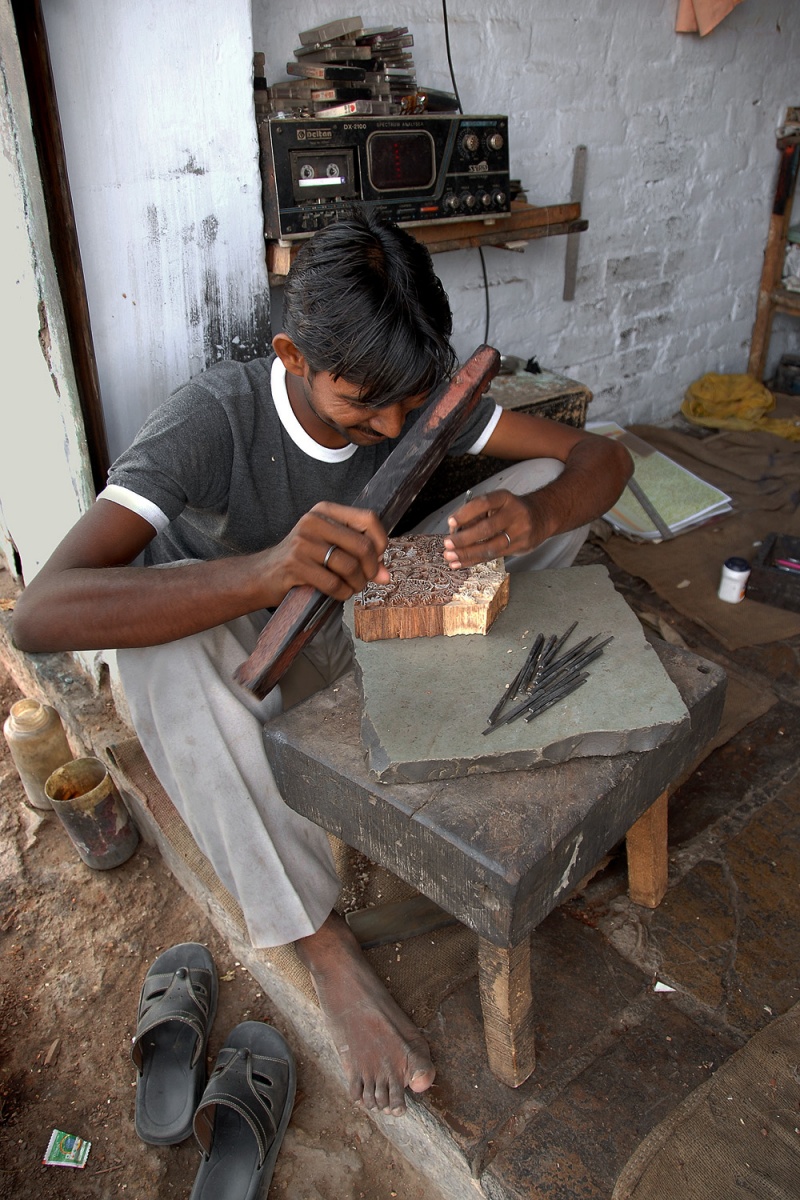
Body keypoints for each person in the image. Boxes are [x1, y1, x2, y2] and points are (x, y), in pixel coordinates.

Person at [11, 209, 632, 1118]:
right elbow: (40, 614)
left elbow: (599, 454)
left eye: (406, 401)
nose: (388, 426)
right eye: (361, 403)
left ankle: (427, 704)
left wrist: (536, 520)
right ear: (294, 356)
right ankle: (325, 945)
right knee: (157, 661)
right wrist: (263, 572)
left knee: (538, 490)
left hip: (361, 624)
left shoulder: (412, 397)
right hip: (248, 665)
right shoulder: (212, 418)